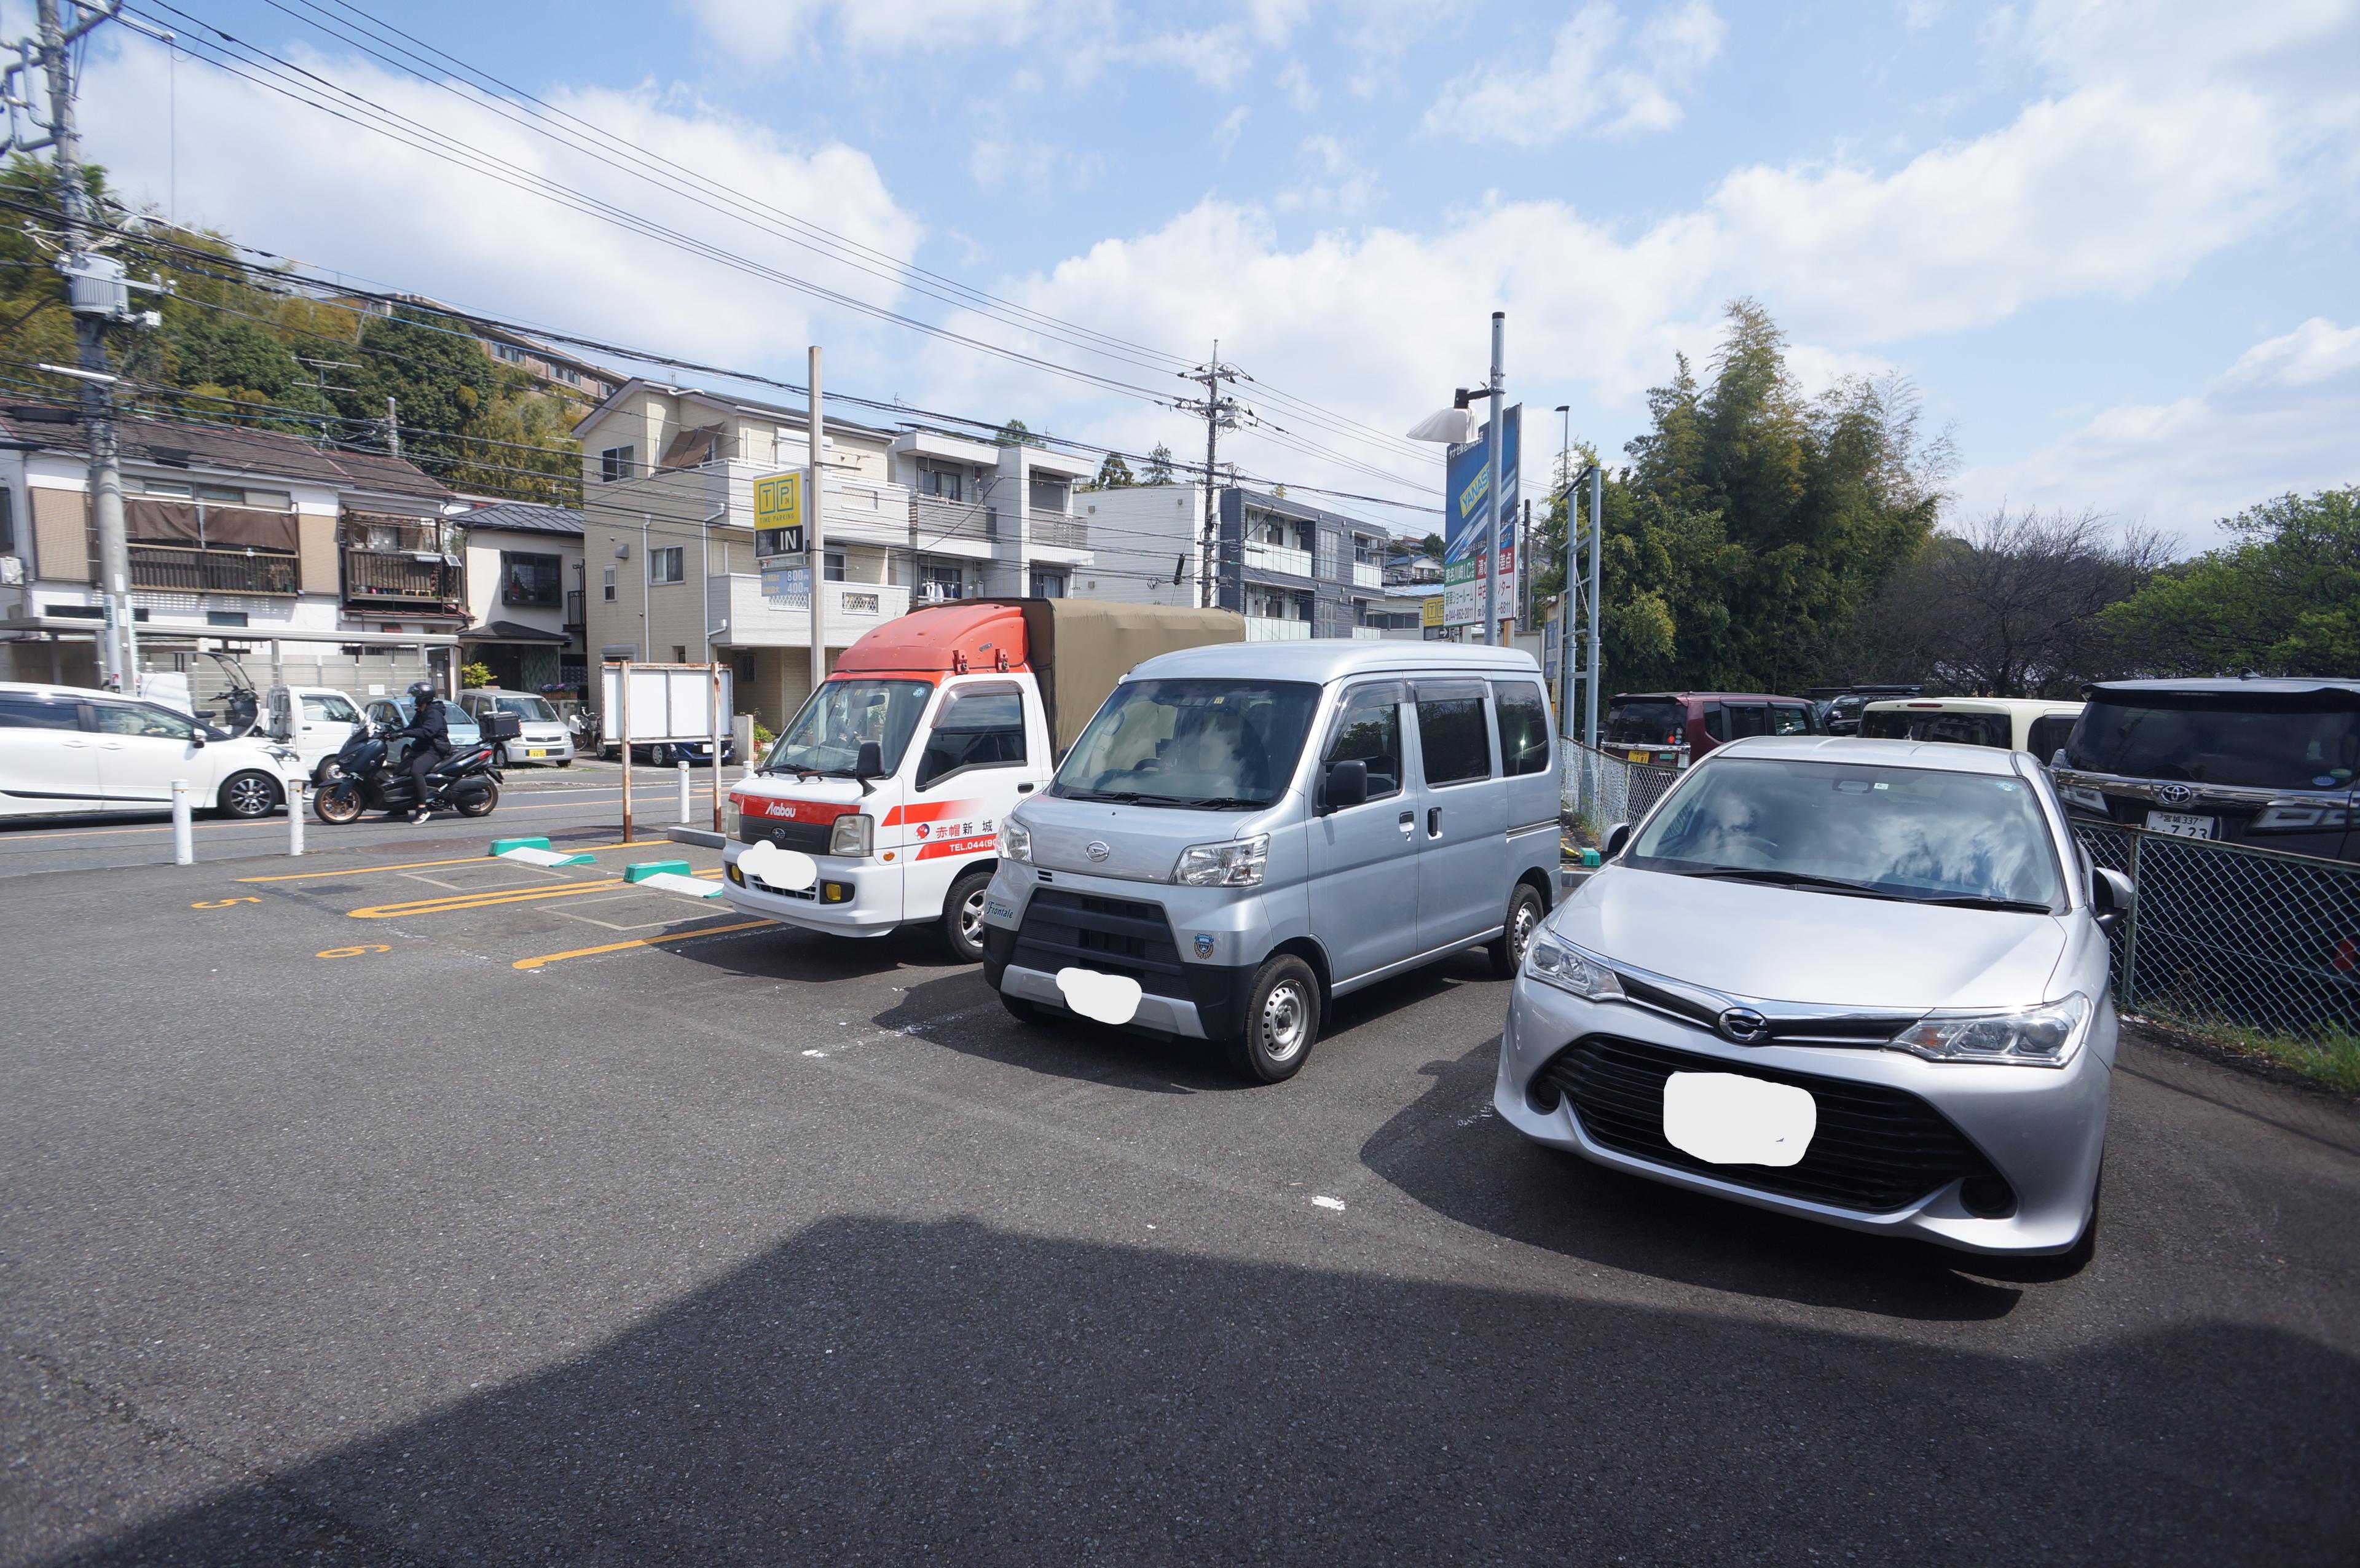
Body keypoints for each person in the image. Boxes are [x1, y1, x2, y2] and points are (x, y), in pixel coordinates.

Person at [396, 681, 451, 823]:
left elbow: (428, 732)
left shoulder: (434, 713)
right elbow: (411, 728)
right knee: (400, 771)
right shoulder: (422, 711)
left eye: (415, 696)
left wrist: (404, 734)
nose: (413, 699)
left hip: (435, 749)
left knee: (417, 771)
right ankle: (400, 806)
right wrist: (394, 732)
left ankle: (422, 809)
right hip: (422, 748)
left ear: (423, 697)